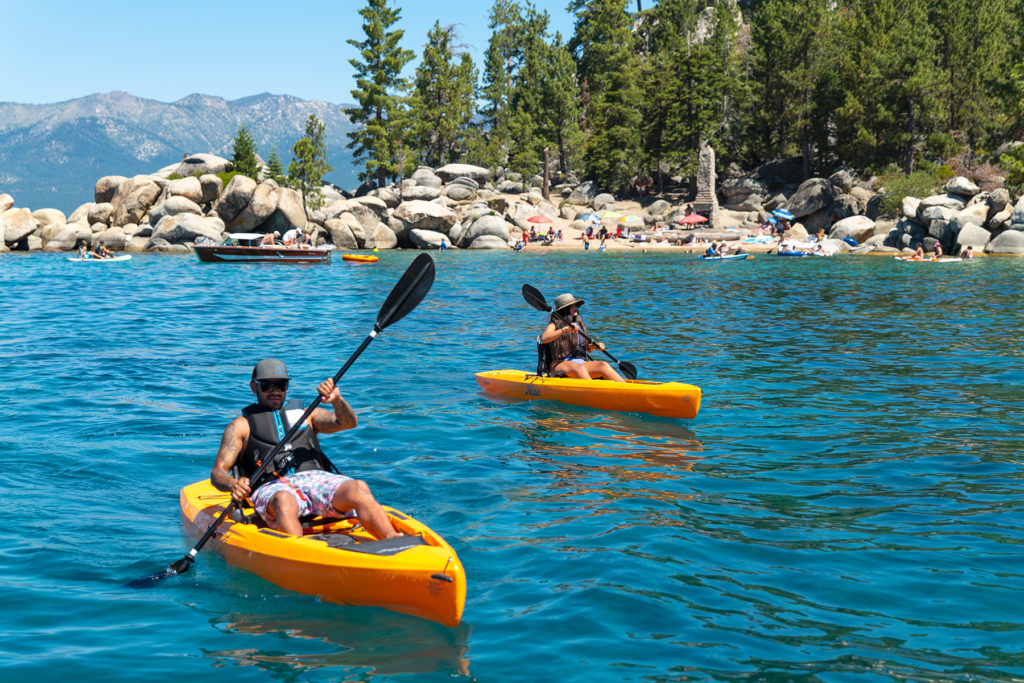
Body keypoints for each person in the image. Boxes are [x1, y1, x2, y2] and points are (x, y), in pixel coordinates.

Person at [210, 358, 400, 539]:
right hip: (273, 488)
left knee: (358, 487)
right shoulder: (241, 426)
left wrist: (336, 400)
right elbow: (218, 472)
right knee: (284, 500)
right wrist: (233, 484)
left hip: (316, 480)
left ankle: (393, 540)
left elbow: (349, 423)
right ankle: (299, 554)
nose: (275, 390)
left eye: (281, 385)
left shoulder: (307, 414)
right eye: (268, 385)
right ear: (254, 387)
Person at [539, 294, 625, 382]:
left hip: (580, 363)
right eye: (572, 306)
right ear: (565, 309)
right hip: (559, 364)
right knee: (578, 368)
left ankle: (626, 389)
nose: (575, 307)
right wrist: (564, 330)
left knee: (603, 365)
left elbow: (584, 349)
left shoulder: (579, 324)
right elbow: (544, 338)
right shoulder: (555, 324)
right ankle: (594, 391)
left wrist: (594, 347)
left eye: (575, 305)